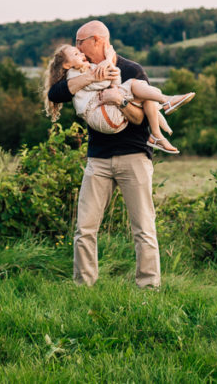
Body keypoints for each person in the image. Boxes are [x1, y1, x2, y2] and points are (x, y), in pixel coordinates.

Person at [45, 20, 168, 288]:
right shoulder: (80, 70)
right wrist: (91, 77)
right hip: (98, 159)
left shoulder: (131, 69)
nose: (77, 47)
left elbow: (140, 120)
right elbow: (55, 93)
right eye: (76, 43)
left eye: (81, 42)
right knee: (85, 228)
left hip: (133, 156)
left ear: (98, 40)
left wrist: (120, 101)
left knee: (143, 227)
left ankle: (148, 287)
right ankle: (83, 286)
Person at [44, 44, 194, 153]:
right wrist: (108, 61)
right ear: (66, 64)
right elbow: (106, 82)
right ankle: (166, 102)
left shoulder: (131, 68)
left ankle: (158, 131)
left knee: (146, 94)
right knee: (136, 86)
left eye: (80, 49)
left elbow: (114, 84)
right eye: (76, 54)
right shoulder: (75, 74)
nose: (82, 53)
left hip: (113, 122)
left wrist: (117, 92)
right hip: (103, 117)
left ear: (97, 41)